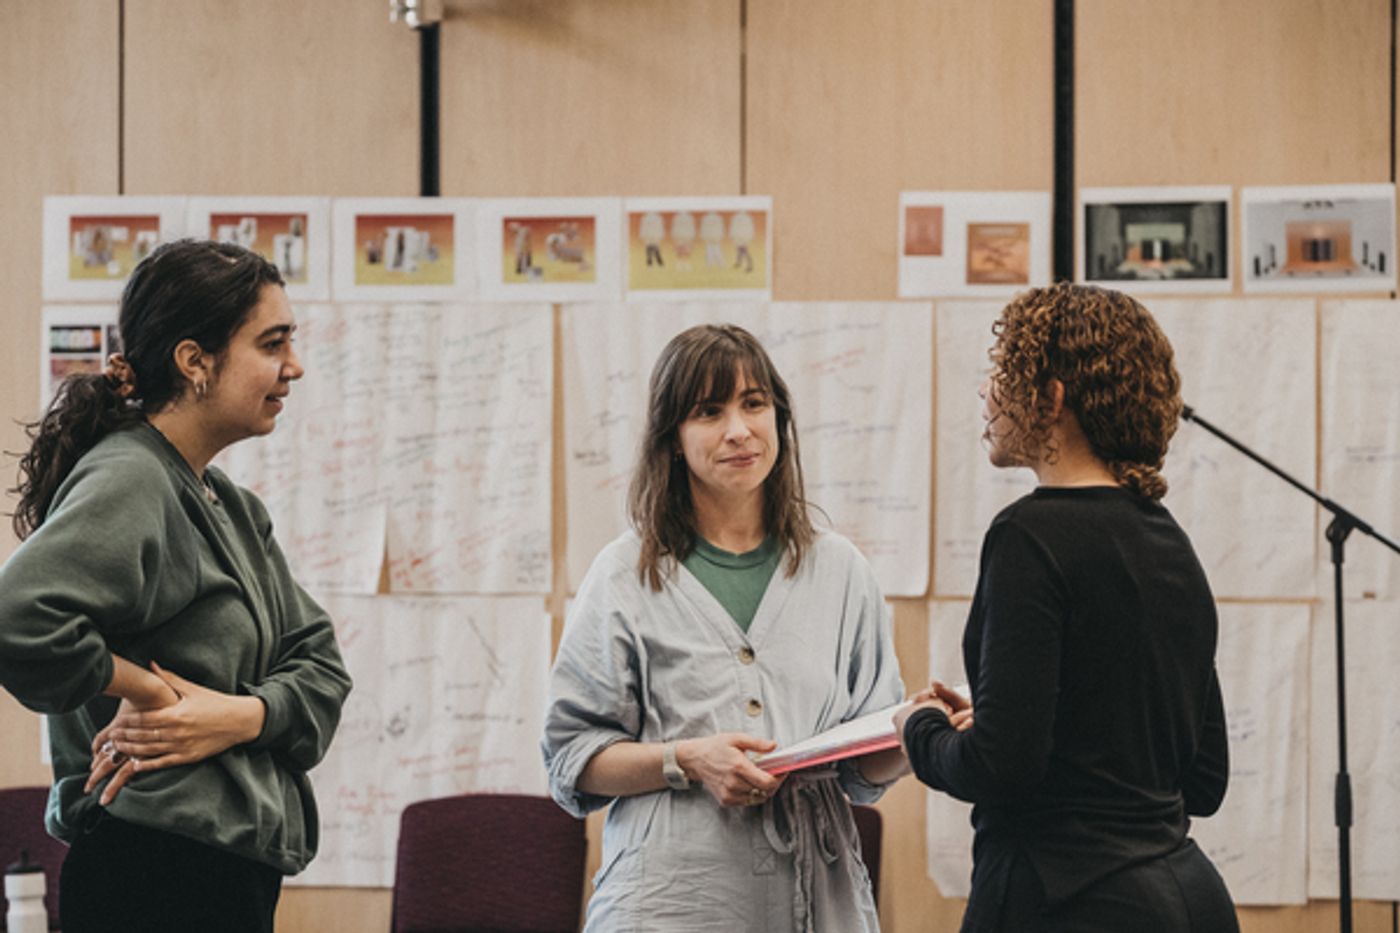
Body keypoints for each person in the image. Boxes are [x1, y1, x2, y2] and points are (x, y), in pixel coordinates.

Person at [0, 239, 353, 933]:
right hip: (154, 872)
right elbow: (18, 619)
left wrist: (237, 715)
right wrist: (148, 691)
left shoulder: (233, 507)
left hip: (220, 874)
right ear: (195, 361)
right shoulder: (132, 475)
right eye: (272, 343)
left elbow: (322, 672)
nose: (294, 365)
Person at [543, 323, 906, 932]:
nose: (738, 430)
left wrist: (914, 735)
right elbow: (572, 760)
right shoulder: (624, 575)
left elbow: (862, 771)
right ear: (673, 438)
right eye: (709, 412)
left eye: (754, 404)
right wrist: (686, 759)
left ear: (778, 418)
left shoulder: (841, 571)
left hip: (814, 902)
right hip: (669, 903)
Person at [896, 283, 1236, 932]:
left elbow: (1000, 767)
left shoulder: (1027, 535)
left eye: (1001, 374)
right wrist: (1012, 721)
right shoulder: (1168, 539)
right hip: (1191, 899)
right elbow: (1205, 780)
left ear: (1051, 399)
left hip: (1069, 900)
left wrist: (921, 730)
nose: (985, 392)